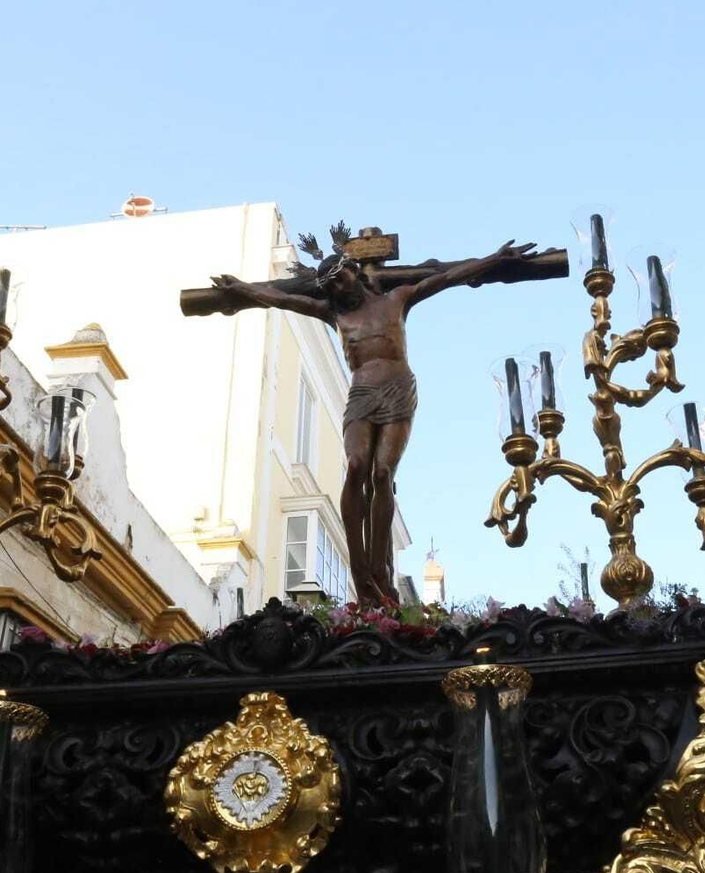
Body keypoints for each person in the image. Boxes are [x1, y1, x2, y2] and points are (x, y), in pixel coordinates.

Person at [212, 235, 535, 606]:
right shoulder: (335, 314)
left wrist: (495, 258)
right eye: (328, 285)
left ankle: (380, 573)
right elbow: (282, 298)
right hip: (361, 393)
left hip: (398, 389)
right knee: (355, 464)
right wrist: (241, 288)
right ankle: (360, 569)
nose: (335, 288)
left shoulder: (396, 299)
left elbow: (446, 278)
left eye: (339, 278)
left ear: (354, 272)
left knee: (383, 473)